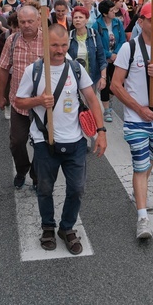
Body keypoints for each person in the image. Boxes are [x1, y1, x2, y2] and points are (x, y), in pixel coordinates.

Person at [15, 24, 107, 255]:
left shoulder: (75, 68)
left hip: (75, 141)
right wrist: (38, 101)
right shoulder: (34, 70)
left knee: (76, 189)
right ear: (46, 44)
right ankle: (48, 226)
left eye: (64, 45)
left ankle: (67, 227)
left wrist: (101, 132)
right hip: (45, 141)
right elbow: (19, 102)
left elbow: (92, 99)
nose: (59, 49)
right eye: (54, 45)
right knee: (45, 188)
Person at [111, 2, 153, 239]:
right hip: (135, 119)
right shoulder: (128, 49)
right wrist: (139, 109)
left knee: (149, 162)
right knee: (140, 166)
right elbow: (115, 85)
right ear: (141, 22)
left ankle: (138, 193)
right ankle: (142, 219)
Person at [0, 5, 43, 189]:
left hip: (42, 104)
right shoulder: (12, 40)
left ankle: (37, 175)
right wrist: (0, 96)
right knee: (17, 142)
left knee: (43, 144)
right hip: (18, 102)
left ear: (39, 21)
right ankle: (22, 169)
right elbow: (3, 69)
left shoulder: (48, 40)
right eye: (22, 22)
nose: (26, 25)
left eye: (30, 21)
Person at [94, 0, 126, 123]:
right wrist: (108, 54)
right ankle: (107, 109)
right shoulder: (97, 25)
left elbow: (123, 40)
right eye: (112, 10)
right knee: (105, 84)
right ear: (105, 13)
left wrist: (116, 54)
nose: (115, 12)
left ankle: (110, 99)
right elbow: (97, 44)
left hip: (116, 59)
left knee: (117, 84)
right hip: (103, 59)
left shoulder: (117, 23)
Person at [68, 6, 107, 94]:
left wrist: (103, 77)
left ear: (86, 20)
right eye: (75, 17)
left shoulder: (94, 34)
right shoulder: (68, 36)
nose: (77, 20)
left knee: (93, 105)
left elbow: (101, 57)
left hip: (92, 79)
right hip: (74, 79)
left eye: (81, 17)